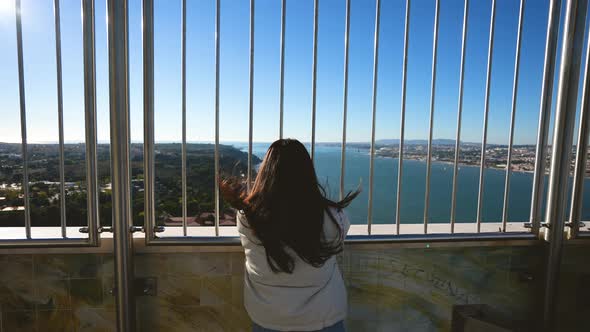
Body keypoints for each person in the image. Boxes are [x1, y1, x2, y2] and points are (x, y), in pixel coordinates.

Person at [220, 138, 360, 332]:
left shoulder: (247, 218)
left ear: (265, 172)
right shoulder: (335, 218)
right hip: (323, 317)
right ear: (307, 172)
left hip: (267, 319)